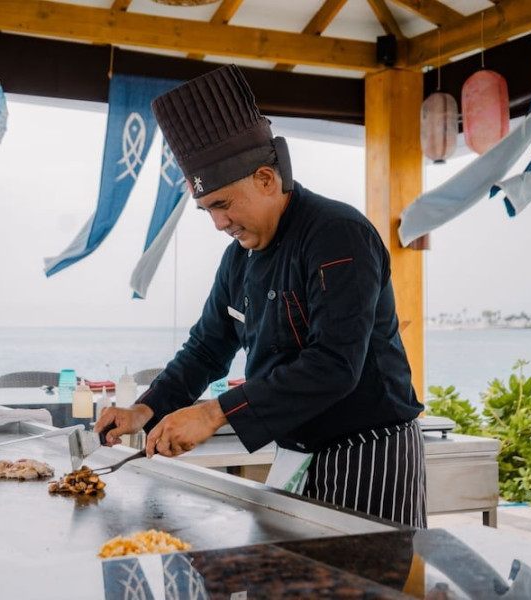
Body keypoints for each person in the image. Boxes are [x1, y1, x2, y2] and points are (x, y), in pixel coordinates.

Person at [95, 64, 426, 528]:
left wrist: (213, 414)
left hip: (367, 453)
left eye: (223, 205)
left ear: (266, 179)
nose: (219, 224)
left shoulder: (338, 234)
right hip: (295, 453)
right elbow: (207, 348)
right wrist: (144, 409)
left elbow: (334, 364)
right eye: (207, 210)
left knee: (369, 573)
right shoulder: (239, 257)